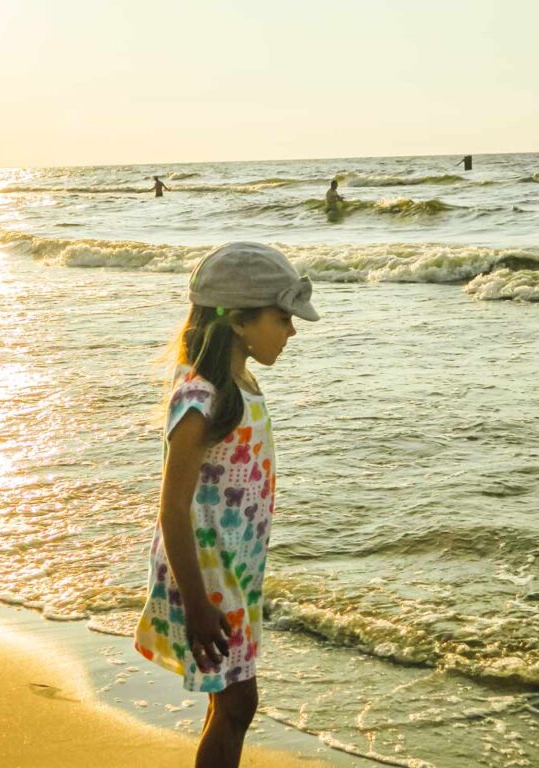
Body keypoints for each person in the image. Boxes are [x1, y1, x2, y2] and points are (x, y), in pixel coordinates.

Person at [134, 242, 319, 768]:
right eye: (282, 318)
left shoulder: (241, 384)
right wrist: (197, 604)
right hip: (207, 573)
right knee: (239, 702)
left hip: (234, 569)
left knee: (230, 701)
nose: (291, 331)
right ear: (239, 321)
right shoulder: (202, 397)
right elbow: (172, 508)